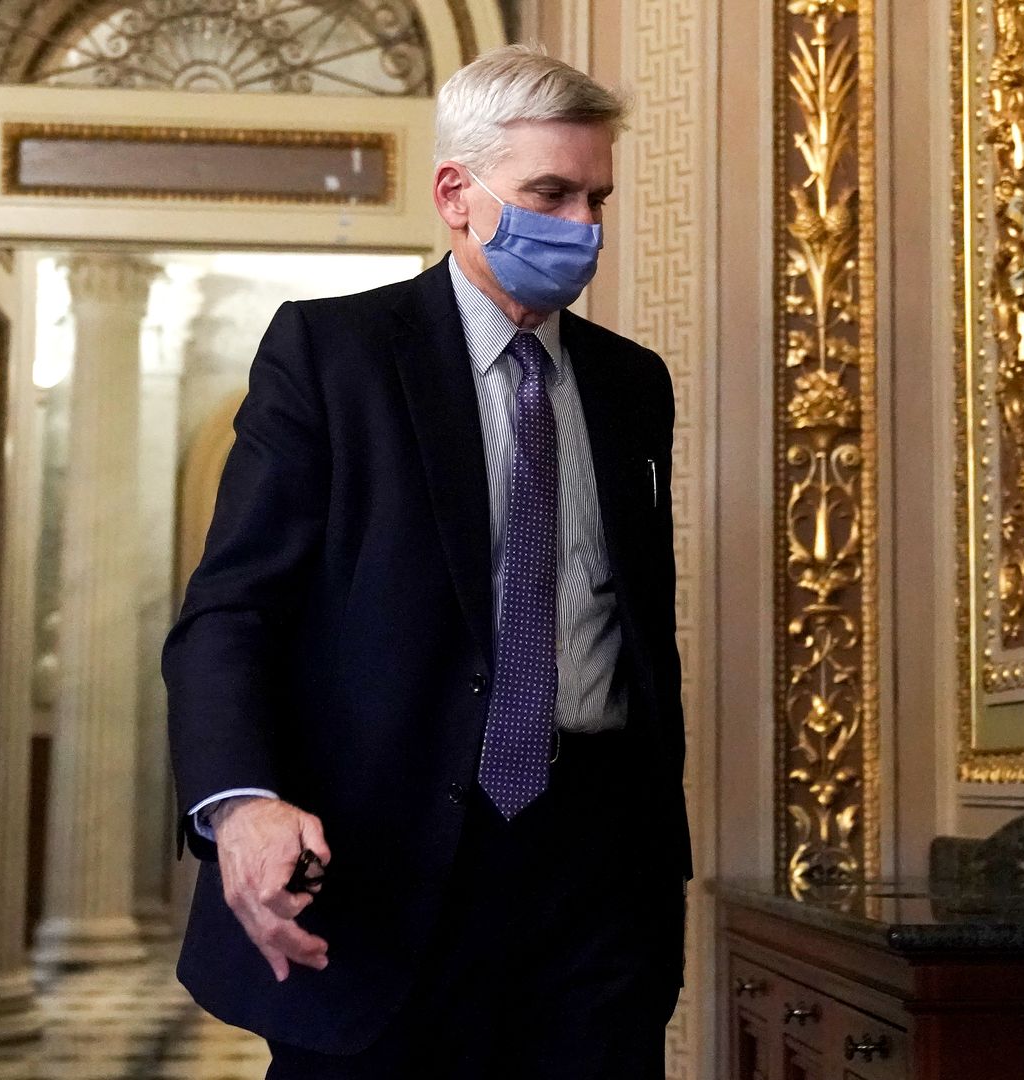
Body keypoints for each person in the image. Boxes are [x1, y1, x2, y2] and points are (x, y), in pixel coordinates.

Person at [163, 44, 689, 1080]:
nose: (584, 227)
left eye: (597, 198)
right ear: (456, 194)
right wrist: (242, 802)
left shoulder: (633, 386)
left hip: (595, 882)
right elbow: (231, 611)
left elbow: (631, 621)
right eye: (550, 194)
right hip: (386, 870)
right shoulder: (331, 357)